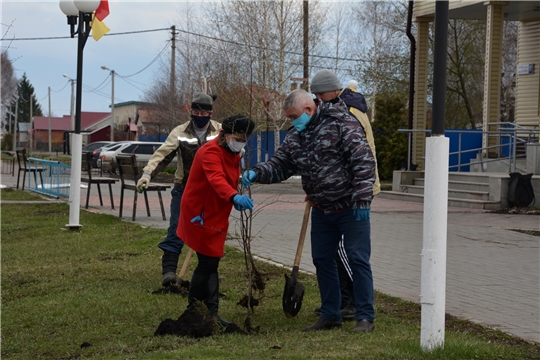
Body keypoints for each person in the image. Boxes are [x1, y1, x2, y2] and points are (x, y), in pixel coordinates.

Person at [242, 69, 377, 333]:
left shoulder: (342, 124)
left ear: (309, 108)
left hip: (350, 207)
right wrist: (257, 172)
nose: (292, 122)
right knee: (322, 259)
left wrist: (362, 198)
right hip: (321, 209)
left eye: (294, 117)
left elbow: (363, 161)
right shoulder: (296, 136)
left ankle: (365, 316)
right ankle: (331, 314)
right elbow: (280, 164)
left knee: (358, 258)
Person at [136, 92, 222, 287]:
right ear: (190, 111)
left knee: (209, 233)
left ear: (210, 113)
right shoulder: (180, 132)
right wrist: (147, 174)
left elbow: (233, 154)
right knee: (177, 230)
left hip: (212, 192)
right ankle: (169, 273)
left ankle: (207, 274)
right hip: (185, 190)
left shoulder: (220, 132)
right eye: (195, 111)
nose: (199, 116)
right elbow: (163, 154)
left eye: (203, 112)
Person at [177, 114, 255, 327]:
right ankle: (198, 308)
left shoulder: (233, 154)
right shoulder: (209, 152)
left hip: (217, 212)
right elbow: (216, 179)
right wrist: (233, 196)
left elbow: (228, 177)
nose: (242, 141)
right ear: (227, 133)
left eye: (246, 137)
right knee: (209, 261)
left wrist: (238, 186)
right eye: (239, 136)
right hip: (200, 213)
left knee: (211, 261)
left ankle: (206, 310)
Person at [314, 79, 381, 319]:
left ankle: (355, 302)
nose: (318, 99)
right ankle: (341, 300)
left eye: (320, 94)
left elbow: (361, 157)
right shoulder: (335, 109)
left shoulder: (350, 112)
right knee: (331, 254)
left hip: (354, 194)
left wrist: (361, 194)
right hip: (340, 194)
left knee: (347, 251)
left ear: (333, 90)